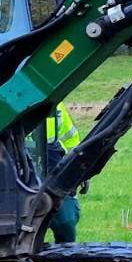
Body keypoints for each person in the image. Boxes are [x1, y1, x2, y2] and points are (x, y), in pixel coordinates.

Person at [44, 103, 85, 243]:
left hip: (54, 175)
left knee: (66, 221)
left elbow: (71, 140)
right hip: (16, 175)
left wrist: (80, 168)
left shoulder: (56, 105)